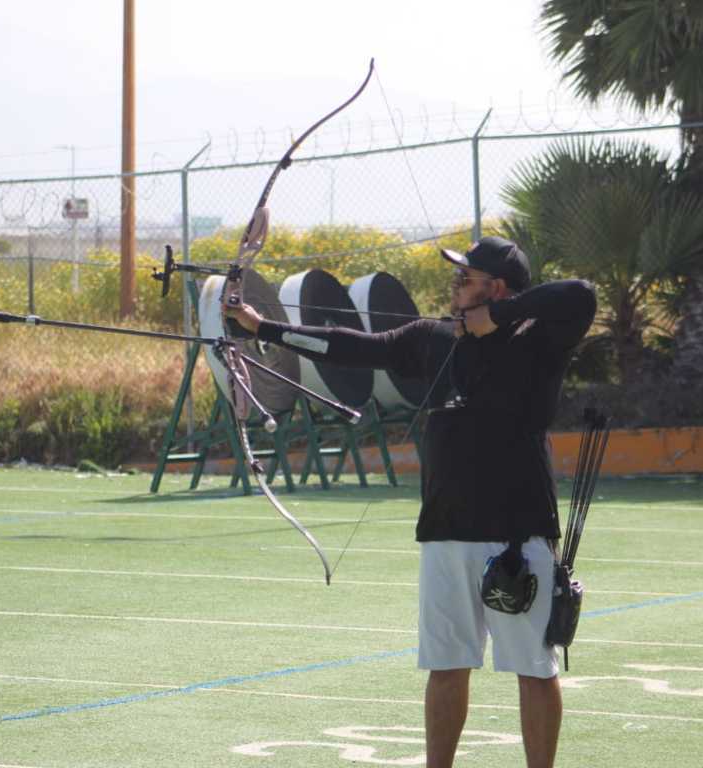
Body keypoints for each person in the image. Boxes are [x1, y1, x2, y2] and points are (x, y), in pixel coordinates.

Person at [224, 236, 597, 768]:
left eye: (464, 278)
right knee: (446, 666)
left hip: (519, 529)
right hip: (446, 530)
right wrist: (263, 328)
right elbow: (350, 345)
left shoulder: (540, 337)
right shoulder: (433, 338)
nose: (453, 285)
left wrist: (497, 317)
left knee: (534, 667)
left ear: (496, 288)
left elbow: (580, 294)